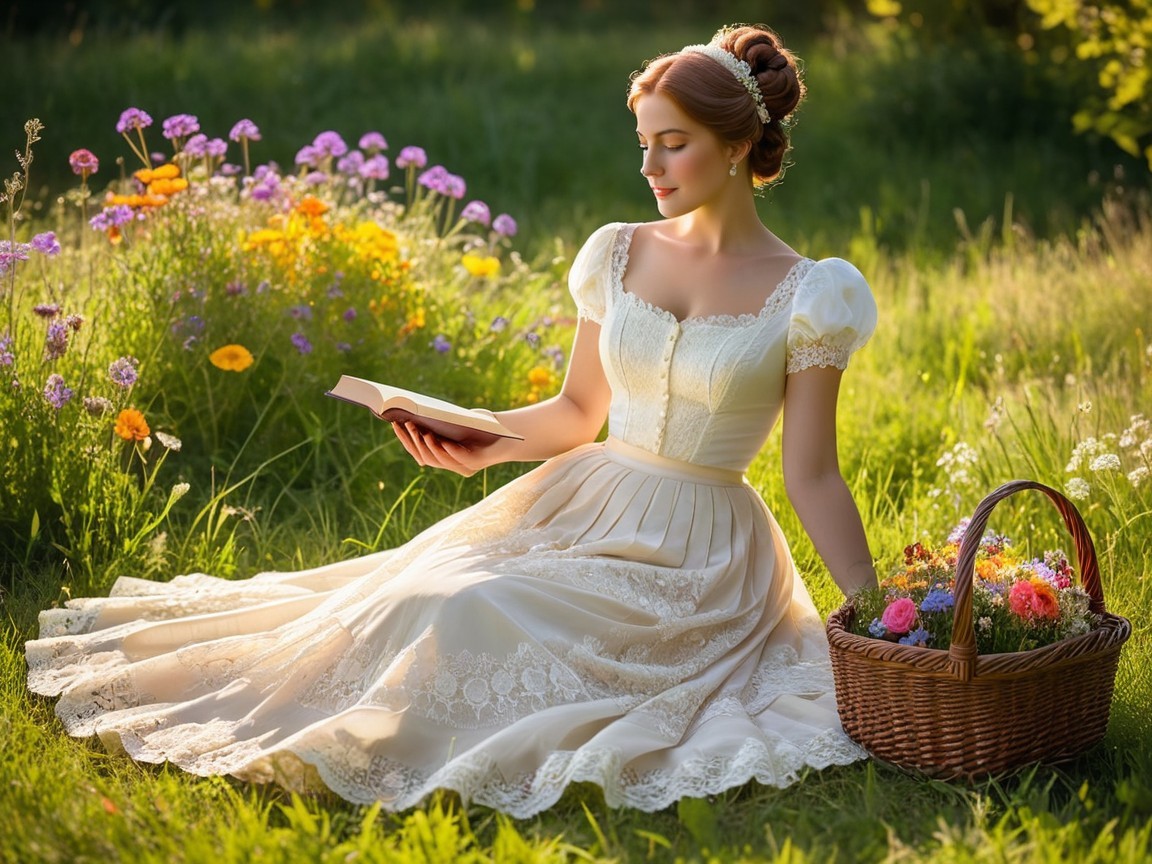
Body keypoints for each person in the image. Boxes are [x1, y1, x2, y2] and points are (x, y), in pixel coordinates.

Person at [27, 23, 878, 817]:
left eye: (674, 143)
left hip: (701, 554)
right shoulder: (618, 251)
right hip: (582, 501)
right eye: (644, 143)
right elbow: (579, 412)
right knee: (423, 591)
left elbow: (812, 474)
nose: (651, 166)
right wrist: (473, 435)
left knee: (479, 604)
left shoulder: (811, 295)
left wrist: (876, 614)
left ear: (736, 146)